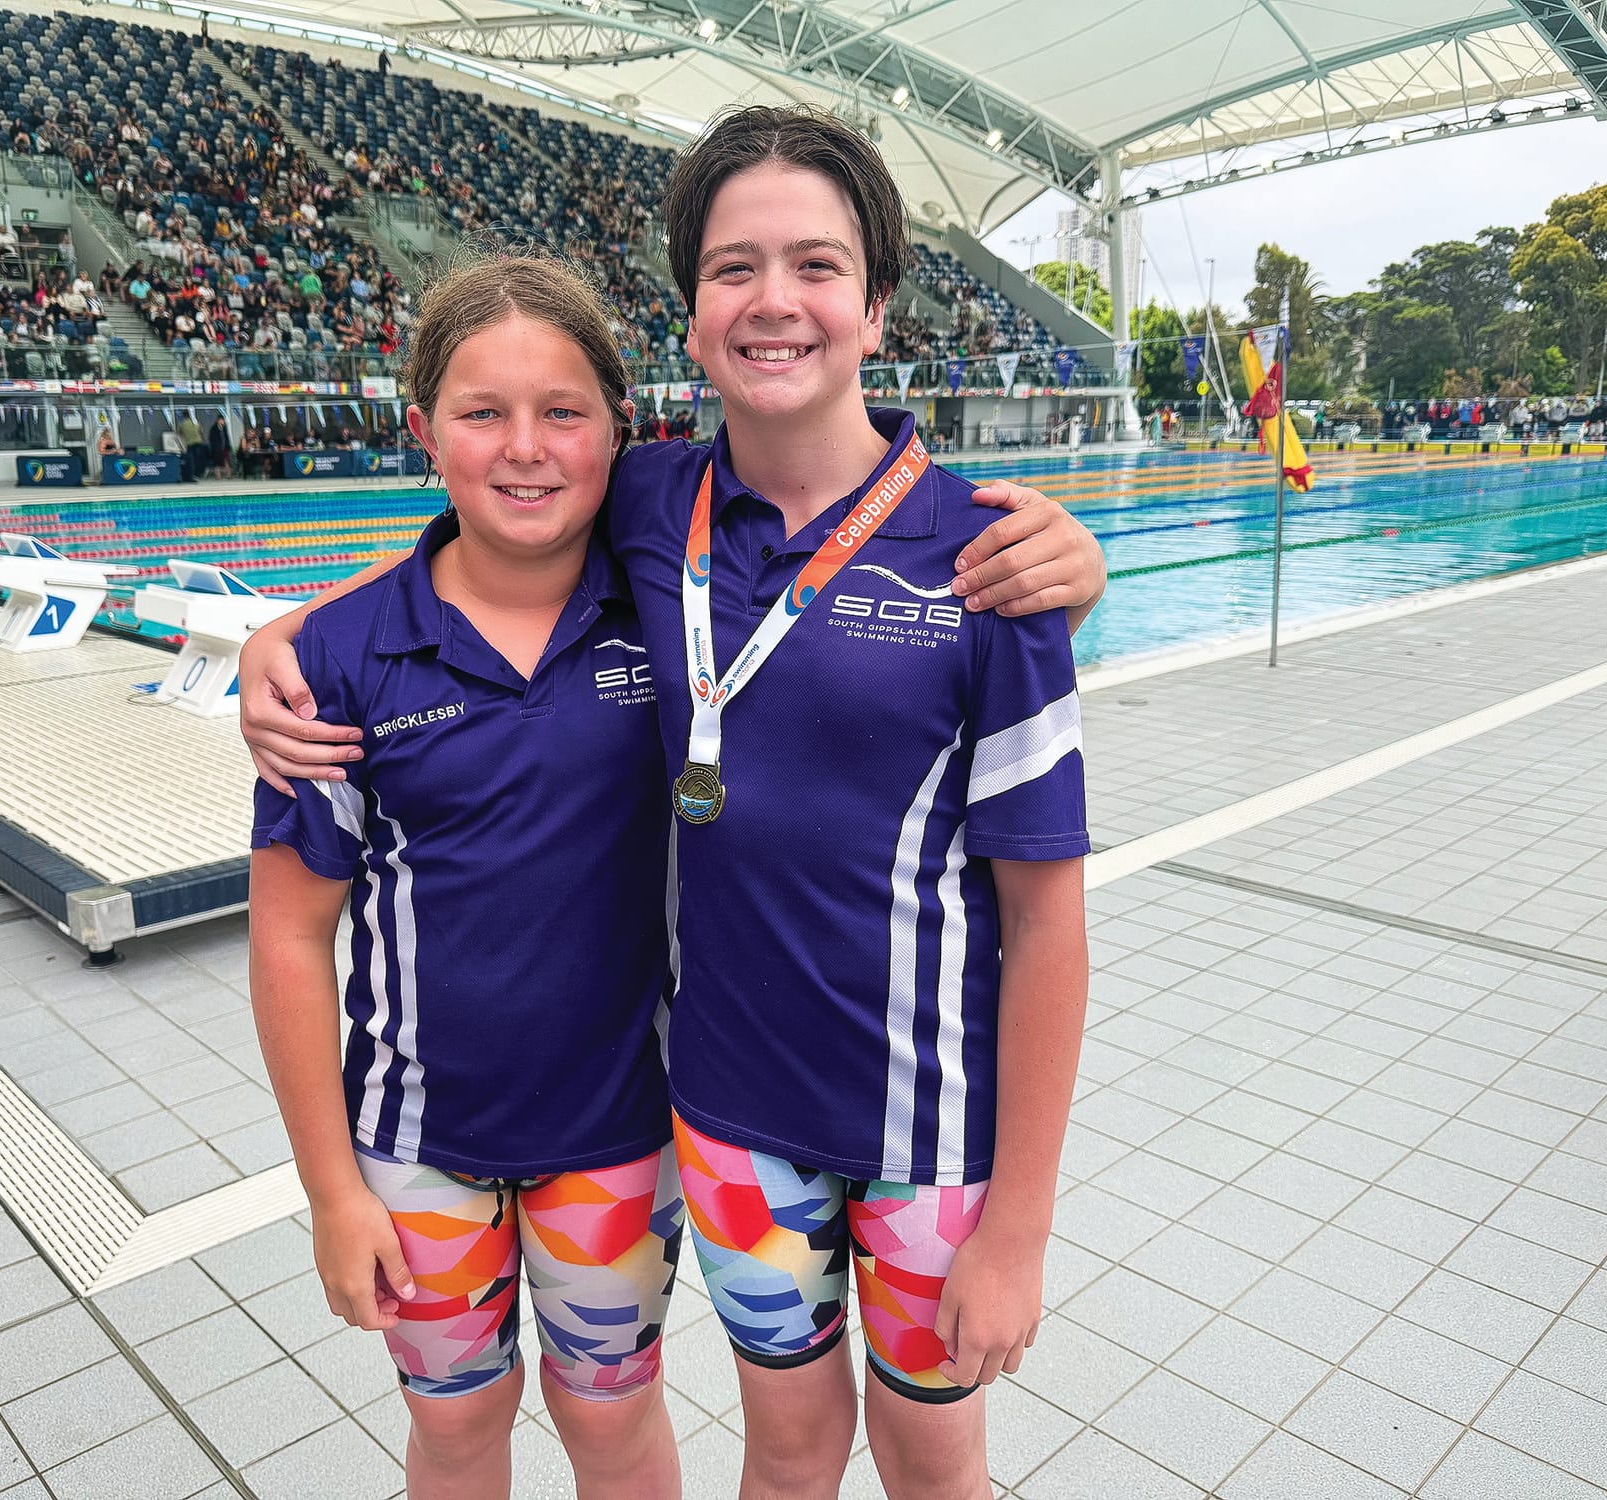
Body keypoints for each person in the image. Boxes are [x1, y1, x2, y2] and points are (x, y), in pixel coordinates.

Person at [240, 109, 1105, 1499]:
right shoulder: (649, 501)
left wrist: (1023, 1229)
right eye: (735, 268)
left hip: (930, 1134)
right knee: (789, 1444)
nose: (775, 300)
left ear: (878, 305)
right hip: (727, 1120)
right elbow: (466, 550)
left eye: (816, 265)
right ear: (692, 318)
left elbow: (1049, 924)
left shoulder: (988, 566)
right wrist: (264, 647)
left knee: (938, 1455)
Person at [250, 251, 683, 1500]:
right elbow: (288, 941)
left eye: (562, 412)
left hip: (618, 1131)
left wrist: (1069, 572)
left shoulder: (665, 615)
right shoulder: (336, 664)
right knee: (455, 1426)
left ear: (617, 429)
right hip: (411, 1147)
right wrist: (331, 1191)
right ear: (424, 431)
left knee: (610, 1421)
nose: (525, 449)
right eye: (481, 413)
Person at [207, 412, 232, 478]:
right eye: (222, 420)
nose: (223, 422)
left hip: (224, 447)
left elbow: (227, 437)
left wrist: (228, 445)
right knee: (217, 462)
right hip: (217, 448)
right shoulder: (214, 428)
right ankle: (218, 475)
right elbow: (212, 439)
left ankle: (229, 474)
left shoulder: (224, 428)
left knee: (226, 460)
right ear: (218, 420)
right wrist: (216, 446)